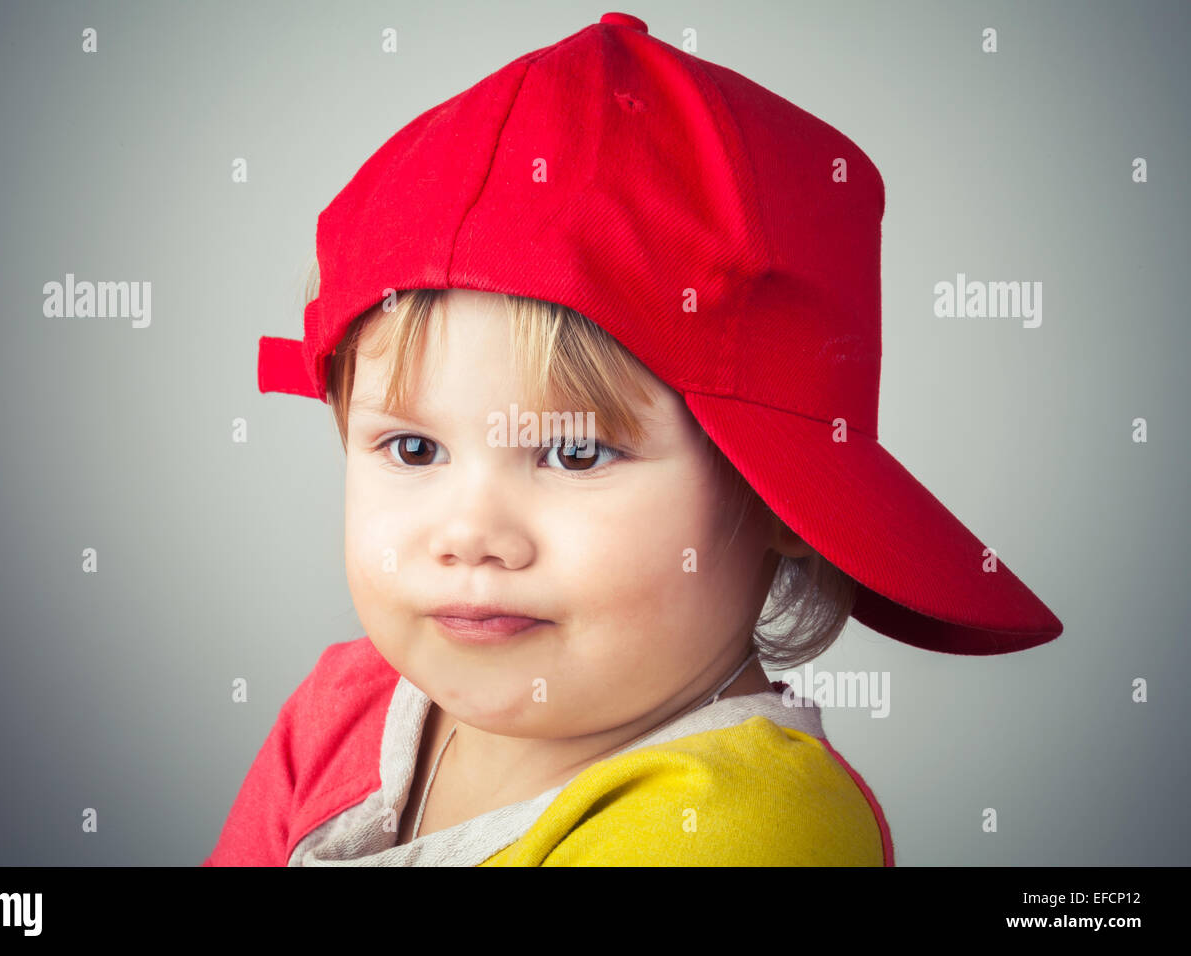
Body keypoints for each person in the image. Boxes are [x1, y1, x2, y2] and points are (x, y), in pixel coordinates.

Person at [202, 12, 1061, 867]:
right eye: (415, 450)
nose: (469, 535)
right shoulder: (341, 706)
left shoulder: (743, 830)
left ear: (780, 493)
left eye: (575, 454)